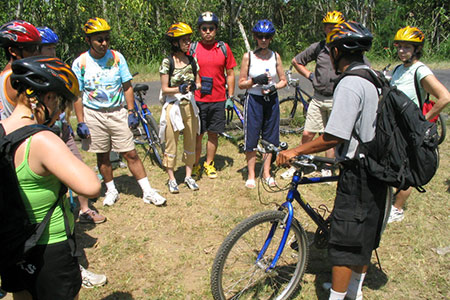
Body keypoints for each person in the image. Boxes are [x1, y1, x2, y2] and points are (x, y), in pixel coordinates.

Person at [277, 21, 387, 300]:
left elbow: (332, 136)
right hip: (376, 166)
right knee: (363, 238)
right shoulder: (372, 76)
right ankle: (354, 292)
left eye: (331, 49)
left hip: (359, 172)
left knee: (345, 243)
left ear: (338, 51)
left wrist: (295, 152)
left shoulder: (350, 83)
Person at [0, 56, 101, 300]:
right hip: (49, 248)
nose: (59, 112)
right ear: (45, 98)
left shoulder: (2, 129)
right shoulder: (43, 140)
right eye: (59, 102)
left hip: (13, 244)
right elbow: (91, 186)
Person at [37, 25, 108, 288]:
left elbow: (71, 96)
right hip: (42, 141)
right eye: (48, 48)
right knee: (53, 202)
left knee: (76, 180)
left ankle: (85, 210)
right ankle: (72, 265)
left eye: (55, 47)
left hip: (62, 131)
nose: (52, 52)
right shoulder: (22, 78)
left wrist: (72, 122)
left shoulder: (57, 69)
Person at [72, 17, 166, 206]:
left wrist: (131, 112)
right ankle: (111, 189)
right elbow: (77, 94)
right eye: (99, 39)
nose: (104, 43)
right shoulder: (80, 63)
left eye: (107, 38)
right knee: (103, 155)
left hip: (117, 112)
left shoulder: (116, 58)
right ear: (88, 40)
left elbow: (127, 86)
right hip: (94, 114)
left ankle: (147, 191)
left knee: (130, 153)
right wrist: (81, 122)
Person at [387, 26, 450, 223]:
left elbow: (444, 97)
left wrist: (424, 120)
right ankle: (390, 201)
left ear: (416, 49)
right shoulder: (398, 69)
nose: (402, 51)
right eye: (399, 47)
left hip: (411, 128)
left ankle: (397, 209)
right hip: (396, 127)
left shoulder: (420, 70)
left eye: (407, 47)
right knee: (393, 165)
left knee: (408, 168)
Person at [282, 11, 344, 179]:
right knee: (308, 133)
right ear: (324, 28)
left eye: (335, 28)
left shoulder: (346, 48)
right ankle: (299, 163)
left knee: (329, 136)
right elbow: (297, 61)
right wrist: (310, 76)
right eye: (328, 27)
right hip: (318, 97)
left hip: (336, 98)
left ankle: (327, 167)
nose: (331, 30)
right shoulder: (319, 47)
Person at [238, 19, 286, 189]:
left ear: (271, 38)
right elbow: (241, 83)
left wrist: (274, 87)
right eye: (260, 36)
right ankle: (251, 174)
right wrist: (254, 81)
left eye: (266, 37)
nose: (263, 40)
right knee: (252, 135)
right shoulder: (248, 57)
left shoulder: (275, 56)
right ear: (255, 37)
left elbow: (283, 81)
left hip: (271, 100)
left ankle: (266, 173)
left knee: (270, 137)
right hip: (254, 100)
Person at [190, 12, 237, 180]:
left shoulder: (223, 48)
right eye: (204, 29)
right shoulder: (192, 48)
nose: (208, 32)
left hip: (218, 99)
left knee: (213, 134)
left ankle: (208, 163)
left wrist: (230, 96)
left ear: (216, 30)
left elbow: (230, 73)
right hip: (197, 99)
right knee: (197, 134)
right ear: (199, 30)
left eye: (211, 28)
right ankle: (195, 165)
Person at [159, 22, 201, 193]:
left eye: (189, 40)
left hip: (189, 105)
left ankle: (188, 176)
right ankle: (171, 178)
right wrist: (179, 89)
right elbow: (164, 88)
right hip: (173, 105)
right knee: (171, 141)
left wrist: (195, 86)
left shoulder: (191, 60)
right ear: (175, 42)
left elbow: (198, 81)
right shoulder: (167, 62)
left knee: (191, 139)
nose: (188, 43)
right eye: (184, 40)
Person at [0, 20, 41, 120]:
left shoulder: (3, 75)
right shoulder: (17, 79)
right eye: (31, 48)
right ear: (12, 51)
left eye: (38, 48)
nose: (36, 53)